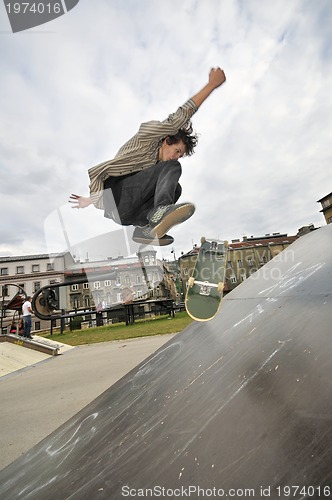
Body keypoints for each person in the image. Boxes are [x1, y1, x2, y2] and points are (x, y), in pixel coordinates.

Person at [70, 67, 226, 246]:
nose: (176, 157)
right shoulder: (149, 138)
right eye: (176, 150)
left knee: (176, 189)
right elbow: (179, 118)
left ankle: (145, 230)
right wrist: (211, 85)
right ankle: (160, 212)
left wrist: (89, 200)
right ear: (167, 140)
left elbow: (135, 187)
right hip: (117, 195)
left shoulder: (152, 172)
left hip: (124, 213)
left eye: (180, 155)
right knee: (172, 169)